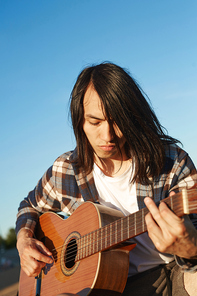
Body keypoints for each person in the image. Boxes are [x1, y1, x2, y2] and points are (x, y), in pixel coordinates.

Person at [16, 62, 197, 296]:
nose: (108, 135)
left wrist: (191, 249)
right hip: (105, 286)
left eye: (118, 120)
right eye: (95, 122)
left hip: (174, 273)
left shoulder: (172, 161)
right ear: (79, 121)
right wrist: (23, 240)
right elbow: (29, 206)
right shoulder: (65, 170)